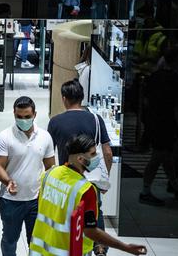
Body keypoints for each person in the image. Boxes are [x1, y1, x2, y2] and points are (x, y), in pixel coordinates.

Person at [30, 135, 148, 256]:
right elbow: (91, 231)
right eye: (93, 154)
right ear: (81, 159)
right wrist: (125, 247)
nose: (96, 158)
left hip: (39, 250)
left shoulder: (49, 174)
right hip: (68, 251)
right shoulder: (85, 190)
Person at [47, 79, 113, 256]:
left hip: (67, 179)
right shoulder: (95, 119)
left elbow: (48, 154)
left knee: (69, 214)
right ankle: (99, 249)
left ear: (64, 98)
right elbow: (107, 152)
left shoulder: (55, 122)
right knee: (94, 212)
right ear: (82, 97)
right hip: (91, 179)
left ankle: (71, 248)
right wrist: (104, 180)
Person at [0, 97, 55, 256]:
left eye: (27, 116)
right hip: (10, 200)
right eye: (19, 117)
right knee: (9, 239)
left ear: (34, 114)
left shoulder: (45, 136)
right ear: (14, 114)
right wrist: (8, 181)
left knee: (35, 241)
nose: (23, 120)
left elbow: (50, 169)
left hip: (36, 200)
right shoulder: (4, 137)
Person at [140, 47, 178, 205]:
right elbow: (177, 107)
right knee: (158, 157)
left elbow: (145, 101)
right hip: (166, 124)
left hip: (154, 122)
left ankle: (176, 185)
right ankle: (145, 191)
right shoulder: (176, 81)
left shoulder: (154, 77)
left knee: (165, 156)